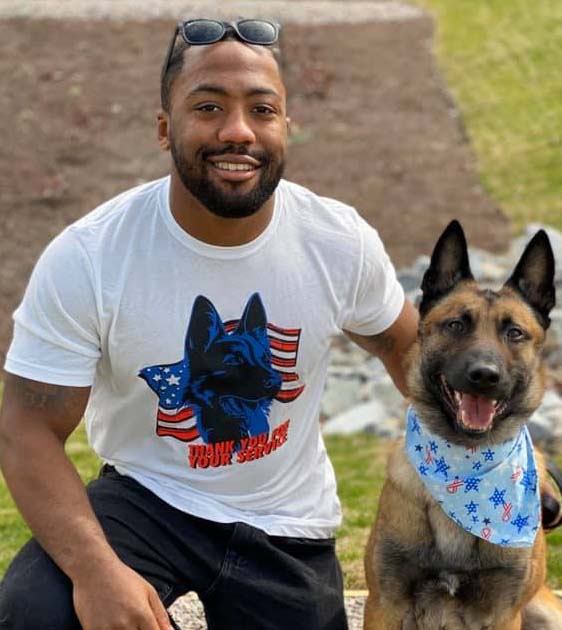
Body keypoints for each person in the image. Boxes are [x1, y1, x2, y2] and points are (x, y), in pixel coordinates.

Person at [0, 18, 418, 630]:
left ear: (285, 127)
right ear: (165, 128)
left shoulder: (337, 241)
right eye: (208, 107)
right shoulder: (92, 255)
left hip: (284, 517)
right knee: (39, 616)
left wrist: (508, 461)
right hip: (148, 499)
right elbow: (27, 429)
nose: (238, 131)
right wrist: (96, 574)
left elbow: (417, 359)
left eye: (262, 109)